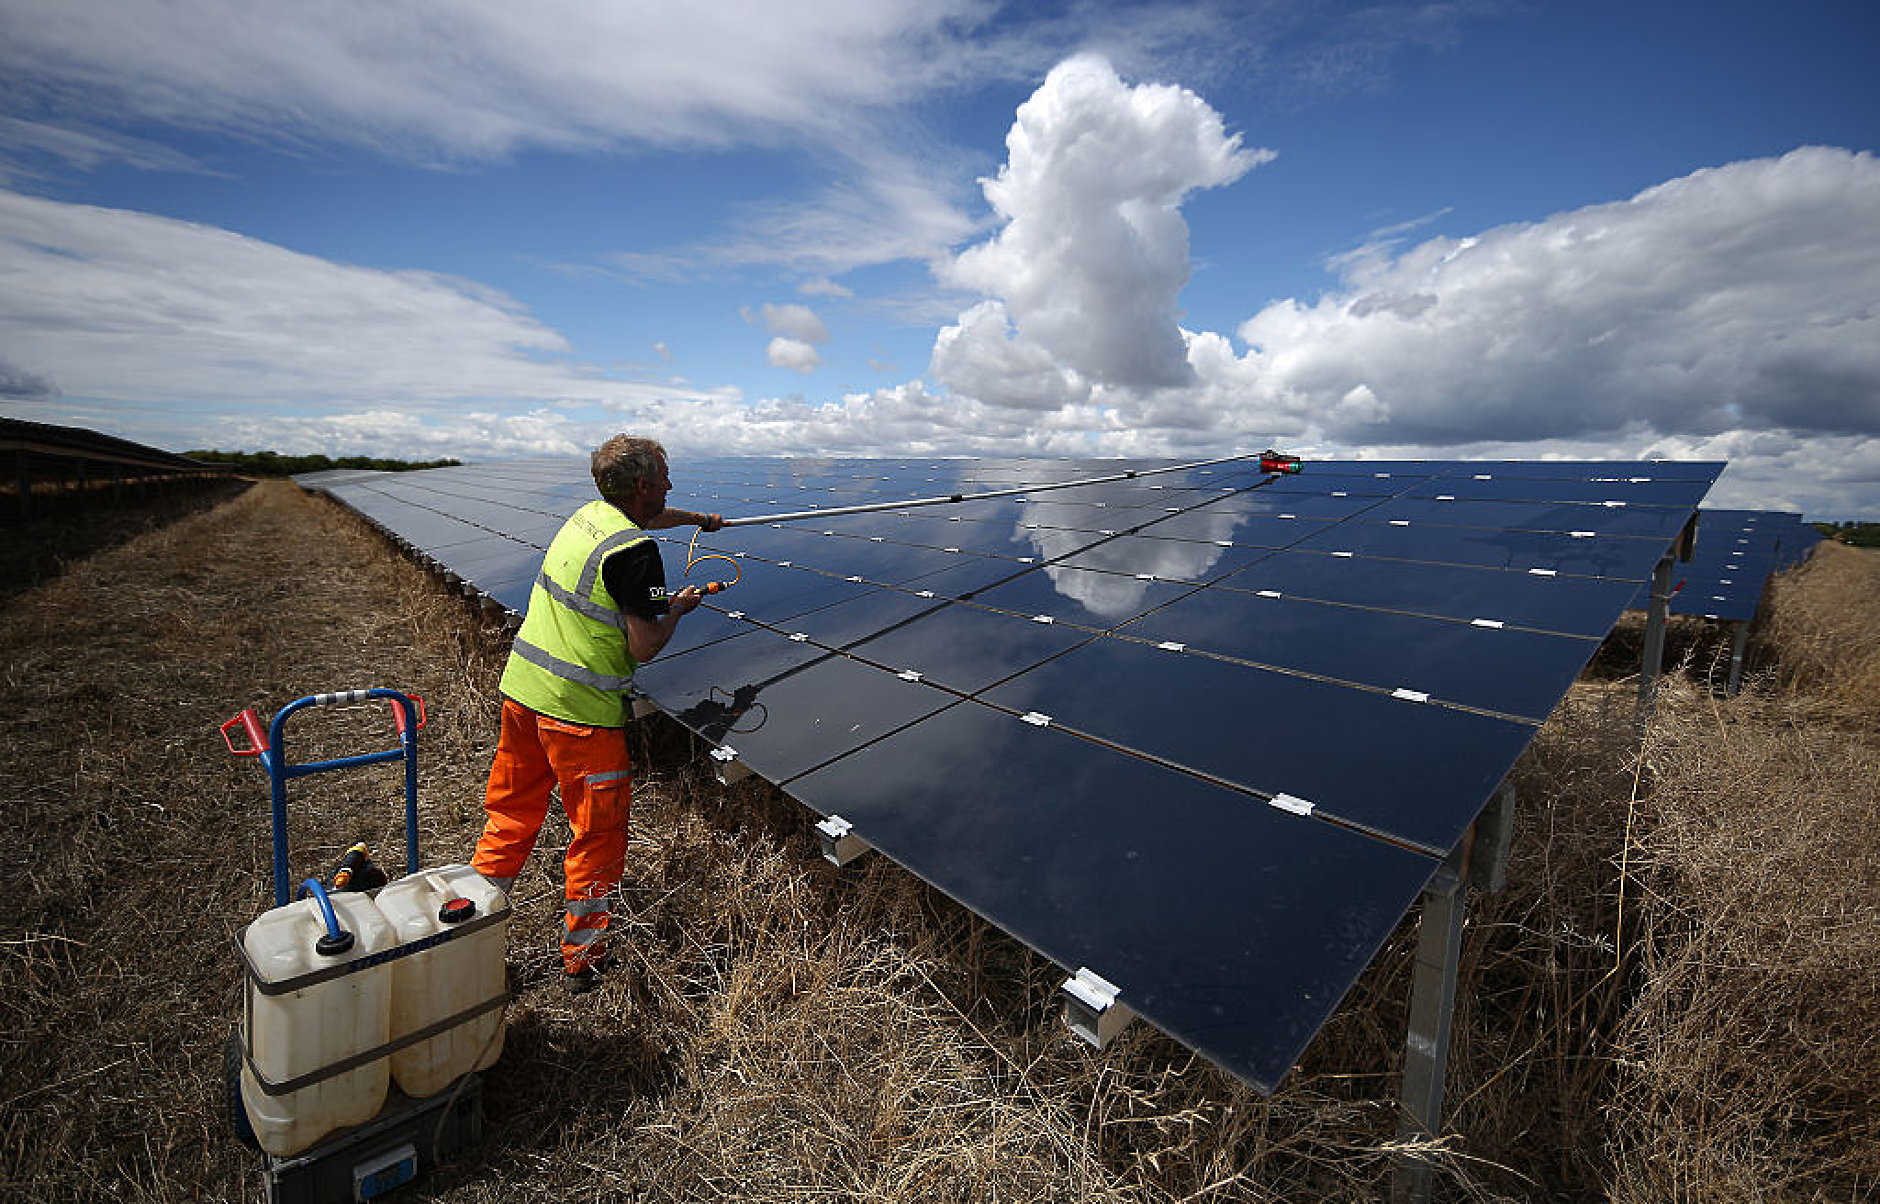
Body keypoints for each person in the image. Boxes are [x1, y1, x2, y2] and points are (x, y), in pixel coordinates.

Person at [471, 435, 722, 991]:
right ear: (640, 487)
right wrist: (677, 608)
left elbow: (649, 519)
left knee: (510, 815)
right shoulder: (635, 555)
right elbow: (645, 645)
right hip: (579, 717)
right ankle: (586, 959)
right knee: (597, 836)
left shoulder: (587, 518)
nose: (670, 487)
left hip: (523, 694)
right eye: (663, 480)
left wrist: (700, 519)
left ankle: (466, 929)